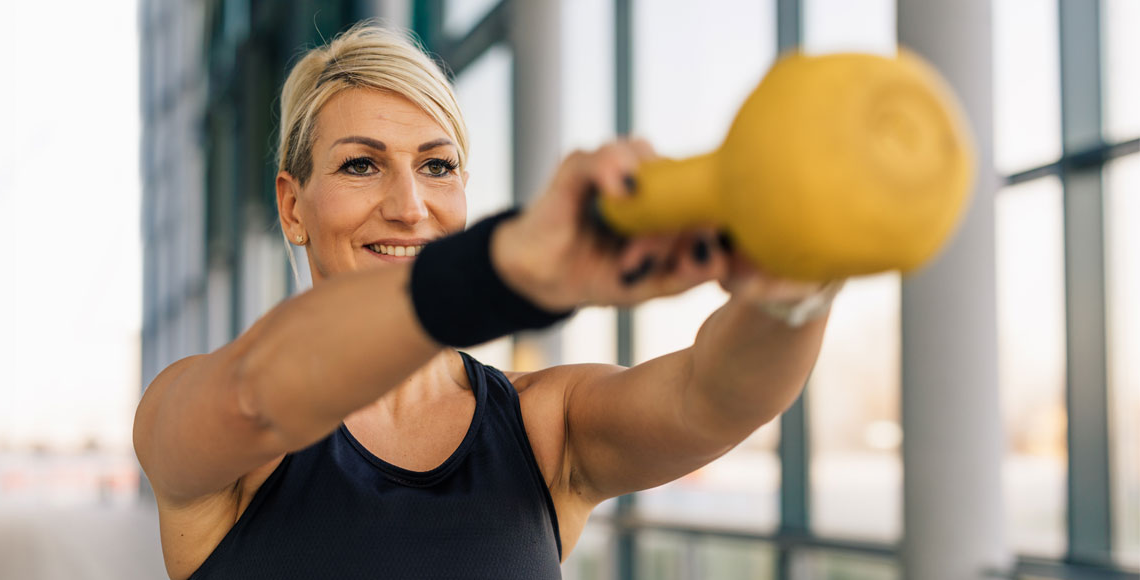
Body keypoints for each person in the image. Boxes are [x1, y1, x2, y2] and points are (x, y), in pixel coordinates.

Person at [133, 23, 840, 580]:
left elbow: (713, 398)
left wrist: (796, 278)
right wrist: (497, 273)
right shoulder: (201, 418)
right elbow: (258, 393)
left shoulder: (545, 427)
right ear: (293, 206)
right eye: (361, 164)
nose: (410, 207)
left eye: (436, 166)